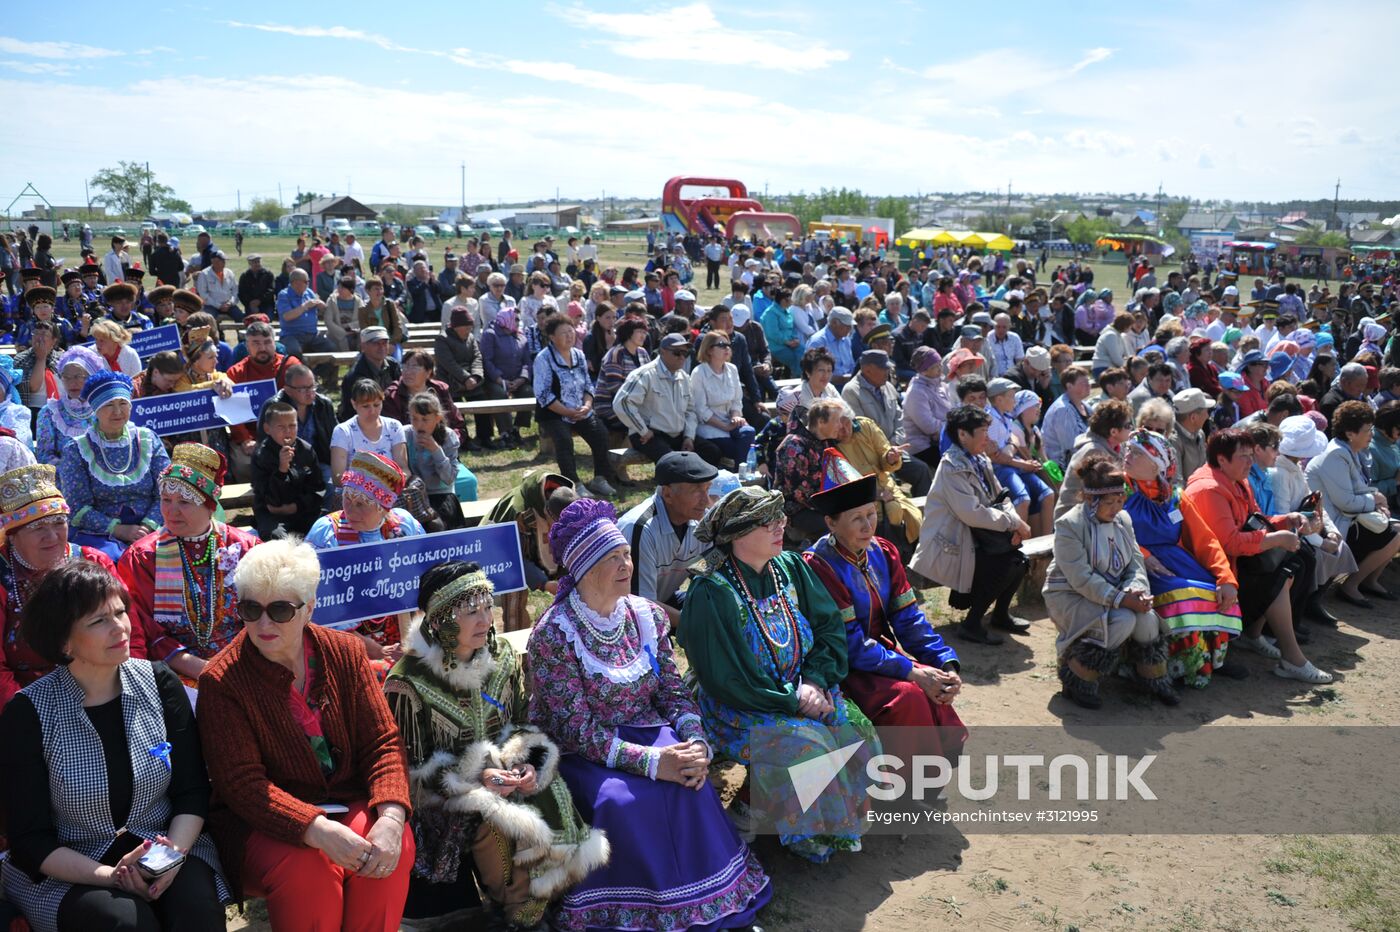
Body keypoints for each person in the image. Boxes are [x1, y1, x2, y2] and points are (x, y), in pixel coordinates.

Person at [528, 499, 772, 926]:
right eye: (612, 558)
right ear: (584, 569)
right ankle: (633, 909)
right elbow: (578, 729)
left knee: (692, 783)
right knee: (623, 801)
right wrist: (657, 762)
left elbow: (672, 691)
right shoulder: (554, 633)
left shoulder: (648, 617)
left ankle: (706, 901)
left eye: (626, 553)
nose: (627, 564)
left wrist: (695, 741)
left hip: (647, 730)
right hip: (581, 752)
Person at [196, 539, 415, 931]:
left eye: (280, 609)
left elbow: (382, 743)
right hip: (260, 821)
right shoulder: (222, 680)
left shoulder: (345, 652)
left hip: (343, 799)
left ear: (309, 607)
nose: (263, 624)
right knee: (308, 869)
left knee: (387, 850)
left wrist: (393, 816)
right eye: (250, 608)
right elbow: (242, 786)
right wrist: (315, 828)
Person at [0, 561, 230, 931]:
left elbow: (191, 791)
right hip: (73, 863)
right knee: (124, 921)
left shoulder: (158, 681)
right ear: (63, 642)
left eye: (120, 612)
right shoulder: (28, 713)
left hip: (166, 845)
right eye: (98, 621)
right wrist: (112, 877)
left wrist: (166, 860)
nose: (120, 628)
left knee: (197, 911)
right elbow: (30, 839)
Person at [384, 562, 608, 928]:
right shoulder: (408, 681)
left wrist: (527, 760)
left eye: (488, 607)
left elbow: (520, 722)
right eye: (471, 612)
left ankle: (560, 899)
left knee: (552, 790)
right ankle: (521, 911)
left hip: (503, 775)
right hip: (441, 801)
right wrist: (476, 777)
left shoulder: (502, 657)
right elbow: (406, 770)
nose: (486, 620)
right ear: (439, 620)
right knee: (495, 817)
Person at [679, 486, 872, 864]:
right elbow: (726, 678)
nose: (779, 526)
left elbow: (829, 627)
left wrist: (815, 681)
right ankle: (764, 816)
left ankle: (776, 808)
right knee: (809, 744)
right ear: (737, 533)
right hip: (735, 705)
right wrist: (793, 699)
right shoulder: (710, 590)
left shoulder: (790, 567)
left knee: (853, 725)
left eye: (780, 517)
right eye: (766, 521)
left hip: (801, 687)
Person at [803, 461, 967, 770]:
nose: (869, 526)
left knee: (936, 682)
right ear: (831, 523)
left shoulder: (884, 551)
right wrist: (911, 671)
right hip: (841, 665)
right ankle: (900, 788)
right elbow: (848, 642)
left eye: (871, 514)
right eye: (856, 519)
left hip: (879, 655)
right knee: (908, 697)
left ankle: (925, 779)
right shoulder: (820, 565)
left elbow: (908, 618)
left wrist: (943, 661)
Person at [1184, 429, 1332, 684]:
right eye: (1244, 456)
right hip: (1211, 570)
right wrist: (1275, 538)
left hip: (1236, 562)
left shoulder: (1238, 480)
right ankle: (1291, 658)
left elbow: (1255, 520)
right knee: (1277, 576)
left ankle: (1254, 635)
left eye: (1251, 455)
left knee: (1294, 563)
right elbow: (1228, 543)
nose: (1250, 462)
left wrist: (1287, 520)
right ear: (1222, 459)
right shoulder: (1209, 489)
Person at [117, 442, 262, 685]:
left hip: (245, 663)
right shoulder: (143, 557)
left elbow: (263, 613)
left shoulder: (246, 548)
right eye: (166, 499)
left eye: (184, 502)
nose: (171, 511)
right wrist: (202, 669)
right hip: (175, 674)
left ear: (209, 506)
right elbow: (143, 629)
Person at [1046, 452, 1180, 709]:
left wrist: (1136, 591)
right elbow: (1081, 578)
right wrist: (1122, 599)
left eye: (1120, 500)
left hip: (1116, 592)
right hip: (1071, 595)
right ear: (1090, 499)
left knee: (1147, 619)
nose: (1117, 508)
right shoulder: (1069, 526)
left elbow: (1135, 562)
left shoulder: (1123, 520)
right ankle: (1078, 678)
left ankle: (1152, 680)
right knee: (1122, 619)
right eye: (1110, 502)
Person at [1122, 429, 1245, 689]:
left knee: (1215, 589)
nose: (1127, 454)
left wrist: (1225, 577)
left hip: (1175, 563)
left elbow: (1205, 539)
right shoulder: (1118, 488)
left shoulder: (1176, 497)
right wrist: (1144, 555)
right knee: (1183, 594)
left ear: (1156, 464)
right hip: (1132, 563)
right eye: (1128, 449)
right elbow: (1108, 530)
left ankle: (1209, 661)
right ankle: (1179, 667)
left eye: (1136, 452)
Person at [0, 465, 123, 705]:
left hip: (102, 691)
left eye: (59, 523)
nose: (53, 536)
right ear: (13, 536)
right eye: (38, 528)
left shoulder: (94, 562)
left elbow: (131, 635)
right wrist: (25, 716)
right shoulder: (3, 576)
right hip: (26, 700)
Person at [911, 405, 1032, 645]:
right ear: (962, 435)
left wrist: (1015, 524)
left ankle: (1000, 616)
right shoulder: (951, 466)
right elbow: (971, 514)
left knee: (1020, 562)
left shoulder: (978, 458)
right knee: (1006, 564)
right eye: (982, 431)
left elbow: (1001, 496)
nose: (987, 437)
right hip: (953, 543)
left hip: (980, 536)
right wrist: (1013, 522)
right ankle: (971, 624)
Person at [307, 453, 425, 669]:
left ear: (383, 508)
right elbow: (319, 609)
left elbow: (424, 587)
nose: (350, 510)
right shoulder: (326, 534)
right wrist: (372, 649)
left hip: (405, 634)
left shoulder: (405, 528)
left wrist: (414, 639)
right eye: (347, 499)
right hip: (346, 640)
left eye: (361, 504)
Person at [58, 371, 170, 561]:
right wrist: (119, 530)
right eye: (109, 404)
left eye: (123, 404)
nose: (117, 411)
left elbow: (166, 490)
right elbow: (77, 506)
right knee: (110, 559)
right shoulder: (77, 450)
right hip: (100, 535)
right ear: (95, 408)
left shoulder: (148, 439)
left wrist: (148, 527)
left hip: (152, 527)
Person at [1307, 401, 1400, 606]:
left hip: (1346, 518)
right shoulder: (1335, 454)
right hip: (1332, 524)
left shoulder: (1348, 450)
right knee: (1394, 534)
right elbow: (1347, 502)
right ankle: (1351, 586)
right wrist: (1375, 500)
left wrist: (1377, 499)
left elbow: (1360, 489)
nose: (1371, 434)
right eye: (1367, 430)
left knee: (1397, 529)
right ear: (1350, 433)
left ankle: (1368, 581)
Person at [616, 451, 714, 623]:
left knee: (720, 613)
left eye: (707, 489)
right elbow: (639, 606)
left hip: (661, 599)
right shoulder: (641, 528)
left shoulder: (702, 520)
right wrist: (693, 625)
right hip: (624, 615)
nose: (706, 500)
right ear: (668, 494)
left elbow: (711, 574)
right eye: (695, 491)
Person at [534, 315, 621, 499]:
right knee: (564, 441)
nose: (569, 336)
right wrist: (566, 412)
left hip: (580, 410)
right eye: (563, 333)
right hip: (554, 413)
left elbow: (588, 385)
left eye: (571, 331)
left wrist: (587, 405)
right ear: (551, 337)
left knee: (601, 434)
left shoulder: (578, 355)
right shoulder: (544, 359)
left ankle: (600, 478)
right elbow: (543, 394)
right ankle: (574, 484)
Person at [485, 469, 578, 632]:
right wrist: (543, 582)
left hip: (527, 548)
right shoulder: (519, 514)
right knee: (514, 593)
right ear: (546, 511)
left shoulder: (568, 503)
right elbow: (513, 558)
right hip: (504, 552)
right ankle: (516, 643)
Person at [612, 332, 698, 464]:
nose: (682, 357)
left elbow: (690, 411)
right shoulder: (645, 374)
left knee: (710, 451)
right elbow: (622, 403)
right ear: (662, 352)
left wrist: (689, 437)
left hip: (676, 434)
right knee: (674, 462)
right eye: (677, 353)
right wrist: (643, 430)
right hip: (649, 435)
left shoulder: (684, 378)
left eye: (685, 353)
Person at [251, 400, 325, 540]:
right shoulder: (261, 455)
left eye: (292, 425)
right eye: (281, 427)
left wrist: (297, 506)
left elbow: (317, 489)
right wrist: (282, 469)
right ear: (267, 429)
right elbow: (268, 498)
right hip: (273, 515)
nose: (288, 431)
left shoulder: (306, 450)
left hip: (302, 511)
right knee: (276, 536)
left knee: (325, 528)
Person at [1054, 399, 1133, 521]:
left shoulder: (1116, 446)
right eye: (1128, 425)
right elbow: (1104, 494)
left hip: (1096, 512)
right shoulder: (1093, 451)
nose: (1131, 429)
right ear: (1113, 432)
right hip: (1073, 520)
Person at [330, 379, 410, 497]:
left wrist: (391, 486)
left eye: (377, 405)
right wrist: (370, 488)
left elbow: (403, 468)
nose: (372, 411)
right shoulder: (342, 431)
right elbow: (338, 476)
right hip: (355, 497)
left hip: (390, 494)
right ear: (354, 404)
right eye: (365, 406)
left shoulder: (394, 427)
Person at [691, 329, 755, 469]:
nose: (726, 348)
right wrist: (725, 426)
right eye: (721, 345)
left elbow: (736, 401)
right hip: (710, 426)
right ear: (709, 350)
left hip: (730, 422)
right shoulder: (699, 373)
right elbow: (701, 410)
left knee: (748, 432)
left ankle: (739, 471)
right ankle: (741, 473)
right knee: (736, 447)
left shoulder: (732, 369)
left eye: (728, 344)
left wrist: (735, 417)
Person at [403, 392, 465, 530]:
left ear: (437, 418)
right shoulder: (405, 434)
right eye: (414, 418)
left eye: (425, 419)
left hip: (440, 495)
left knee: (437, 526)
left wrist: (436, 450)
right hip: (413, 496)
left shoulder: (448, 436)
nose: (419, 425)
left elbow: (449, 478)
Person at [35, 345, 105, 466]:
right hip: (63, 477)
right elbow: (44, 454)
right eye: (66, 377)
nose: (72, 382)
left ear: (92, 377)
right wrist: (70, 470)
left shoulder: (104, 409)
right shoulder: (50, 412)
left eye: (78, 377)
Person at [479, 307, 533, 448]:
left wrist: (521, 379)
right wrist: (499, 379)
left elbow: (527, 363)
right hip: (495, 380)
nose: (518, 322)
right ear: (506, 318)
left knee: (528, 392)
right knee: (499, 393)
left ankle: (516, 429)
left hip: (517, 380)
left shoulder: (521, 337)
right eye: (515, 319)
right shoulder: (490, 334)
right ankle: (505, 432)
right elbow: (487, 360)